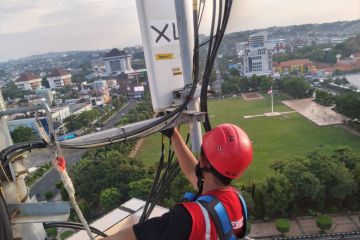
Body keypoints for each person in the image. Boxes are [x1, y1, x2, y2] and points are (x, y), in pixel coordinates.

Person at [103, 123, 253, 240]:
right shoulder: (235, 200)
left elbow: (131, 237)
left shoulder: (186, 218)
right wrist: (174, 136)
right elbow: (191, 172)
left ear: (201, 160)